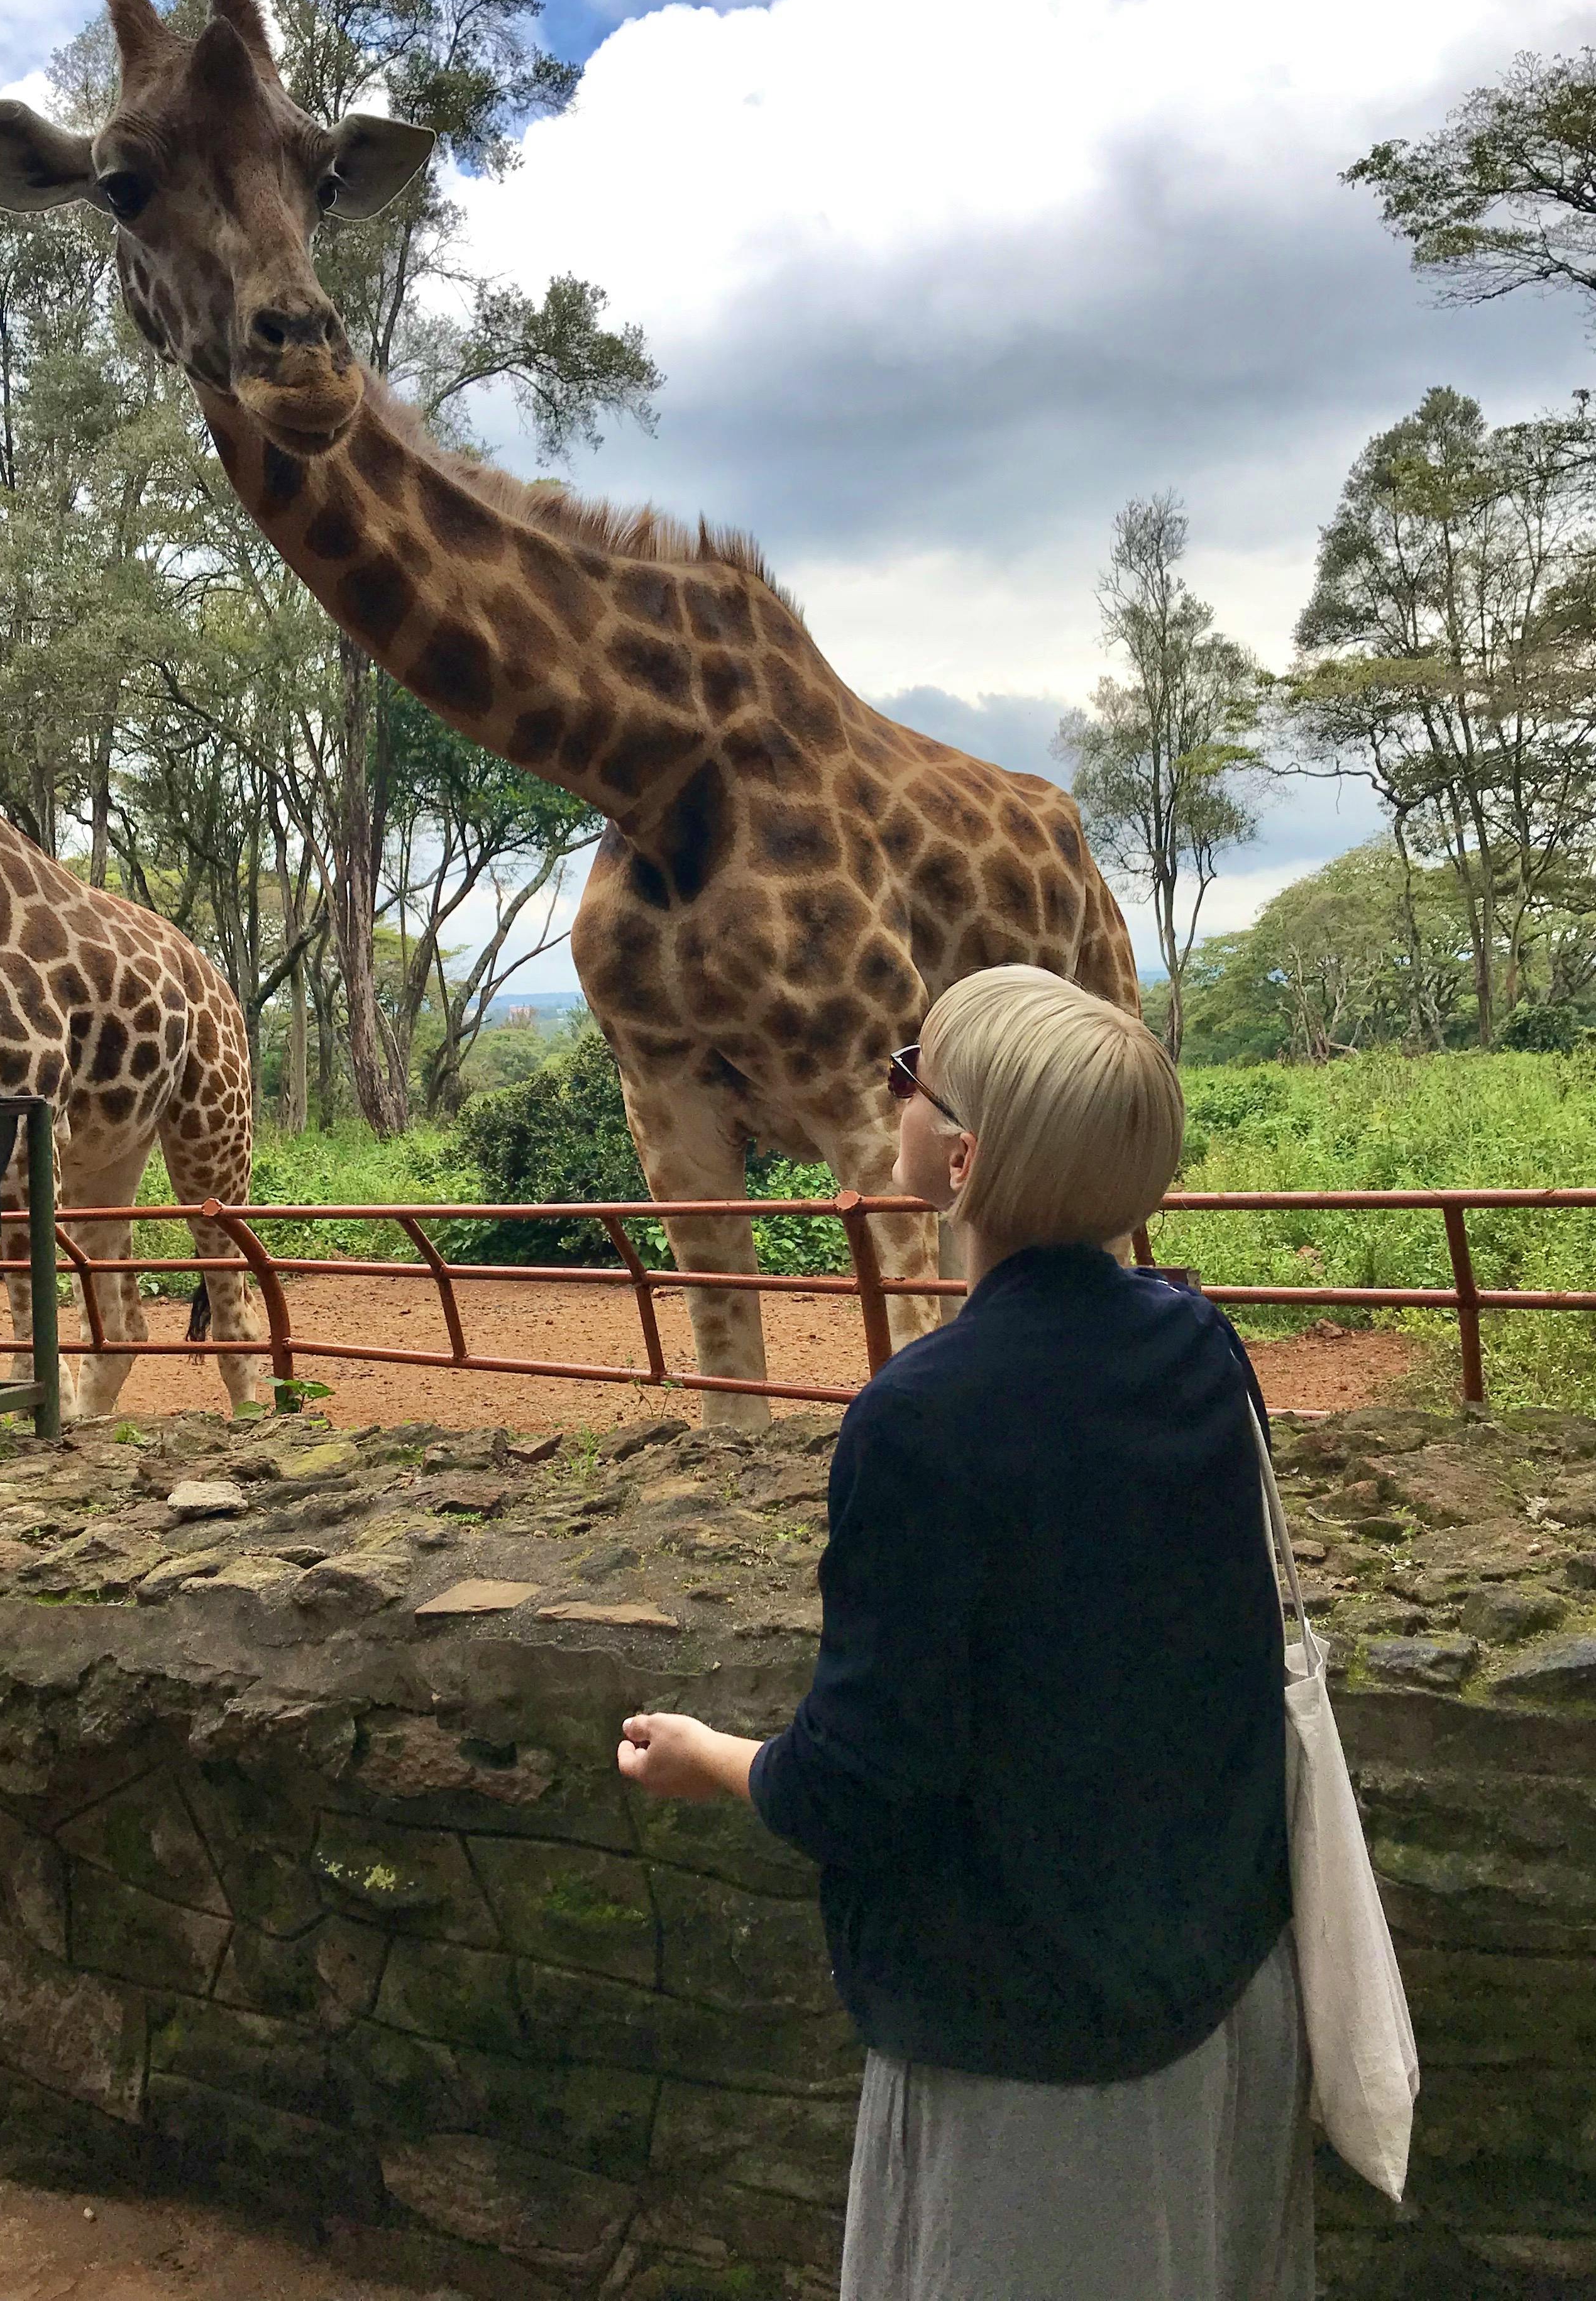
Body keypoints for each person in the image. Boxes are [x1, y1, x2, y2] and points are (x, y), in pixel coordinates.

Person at [617, 963, 1311, 2301]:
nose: (892, 1098)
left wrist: (712, 1756)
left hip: (1035, 2051)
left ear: (962, 1157)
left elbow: (869, 1781)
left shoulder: (921, 1415)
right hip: (1222, 1986)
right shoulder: (1201, 1347)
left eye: (907, 1078)